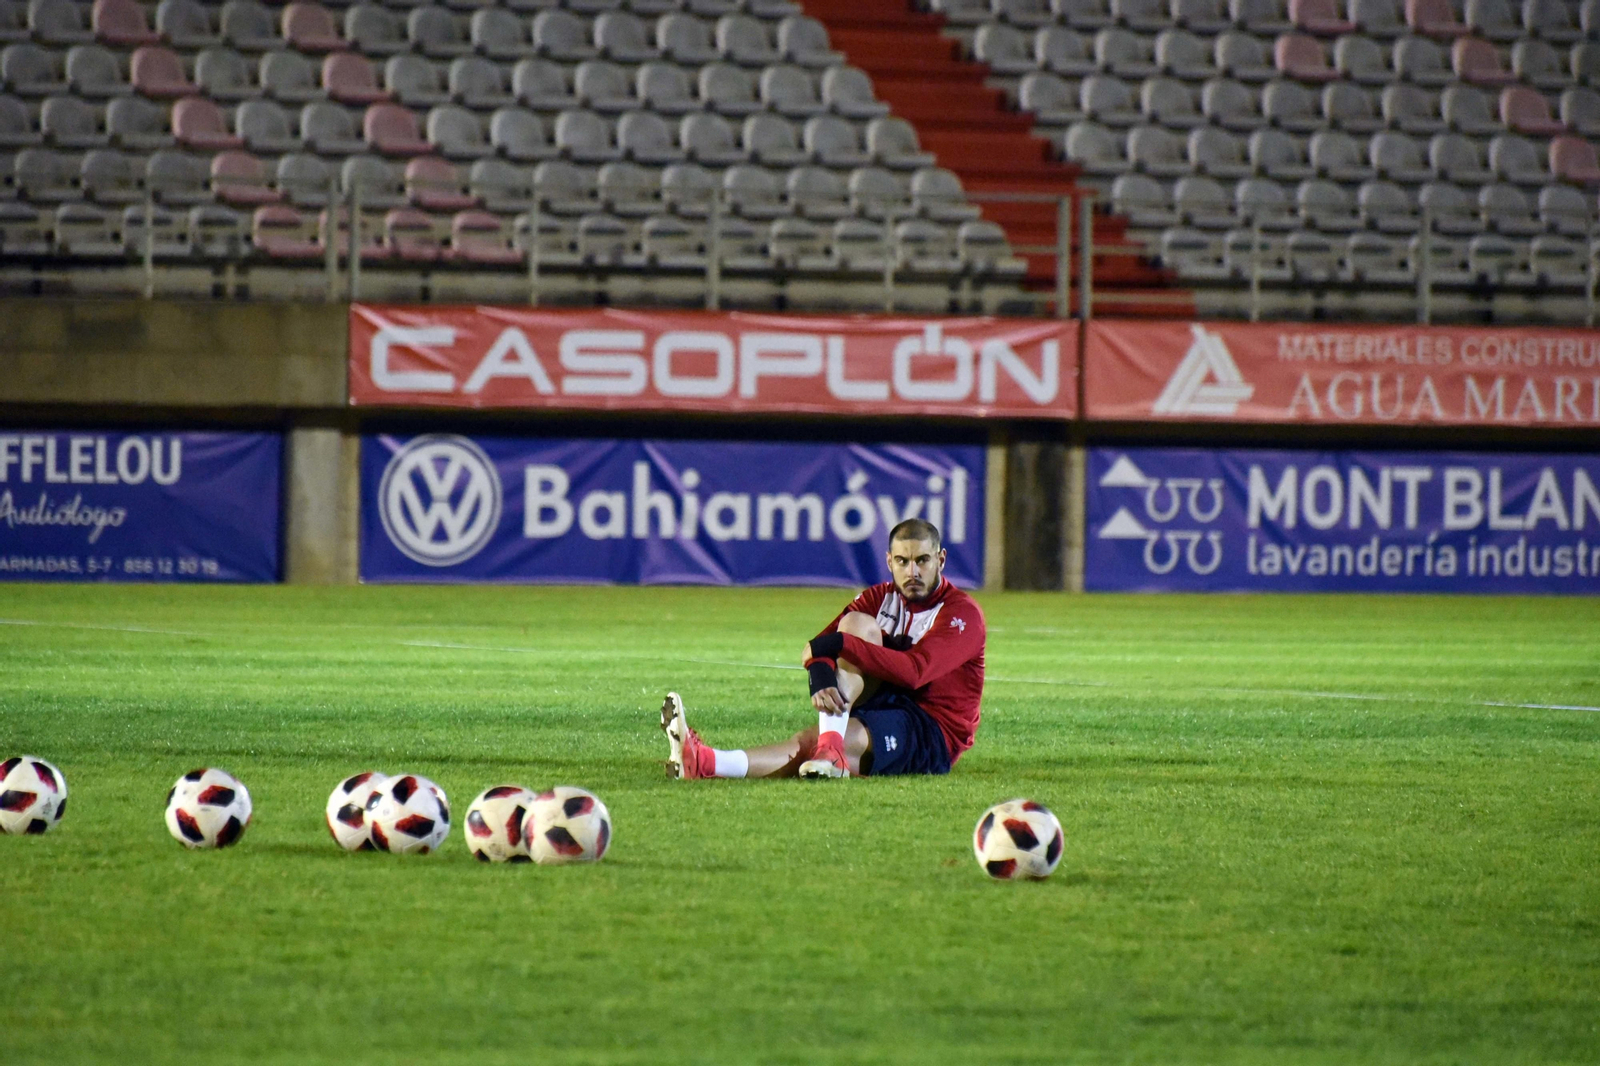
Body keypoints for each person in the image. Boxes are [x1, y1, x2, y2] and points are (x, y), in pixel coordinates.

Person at [659, 518, 986, 780]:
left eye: (922, 561)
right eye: (902, 561)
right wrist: (821, 675)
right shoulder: (879, 598)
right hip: (884, 700)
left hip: (931, 728)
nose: (912, 572)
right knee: (857, 624)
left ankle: (710, 762)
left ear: (940, 560)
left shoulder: (961, 613)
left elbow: (916, 672)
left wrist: (837, 646)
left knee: (814, 741)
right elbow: (815, 648)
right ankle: (824, 748)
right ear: (889, 561)